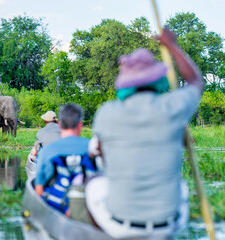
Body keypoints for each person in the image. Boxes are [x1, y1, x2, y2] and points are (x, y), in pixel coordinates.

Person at [86, 28, 204, 239]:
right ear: (158, 79)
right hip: (168, 224)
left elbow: (102, 154)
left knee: (93, 183)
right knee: (181, 186)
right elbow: (195, 81)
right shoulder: (173, 106)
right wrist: (171, 45)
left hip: (121, 226)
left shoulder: (107, 113)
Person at [35, 104, 97, 218]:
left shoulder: (48, 151)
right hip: (88, 211)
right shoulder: (92, 148)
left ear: (60, 125)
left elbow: (39, 189)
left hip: (57, 211)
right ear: (80, 125)